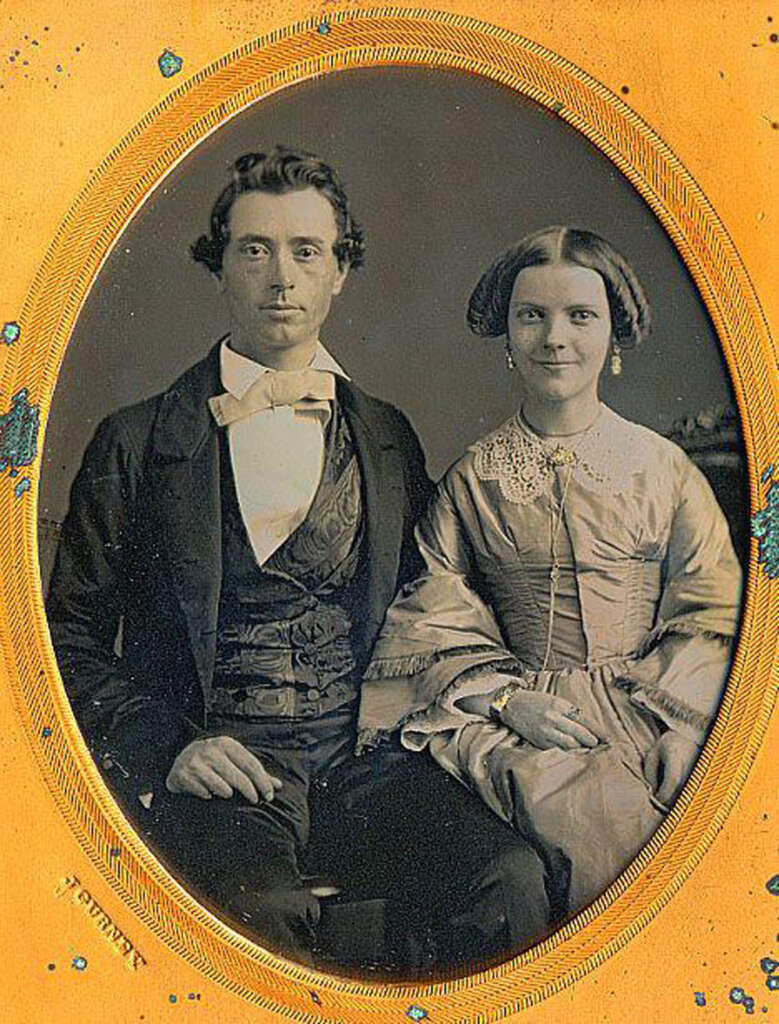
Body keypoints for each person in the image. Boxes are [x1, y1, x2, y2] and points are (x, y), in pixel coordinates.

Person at [46, 147, 551, 974]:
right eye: (255, 249)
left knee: (511, 881)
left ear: (340, 270)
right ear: (219, 267)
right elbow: (62, 641)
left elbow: (438, 609)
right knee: (260, 919)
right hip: (221, 771)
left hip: (367, 764)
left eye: (306, 251)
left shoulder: (388, 439)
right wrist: (170, 746)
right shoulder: (135, 441)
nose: (281, 277)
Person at [358, 226, 743, 922]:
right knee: (605, 829)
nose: (554, 338)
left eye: (579, 316)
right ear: (505, 335)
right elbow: (429, 613)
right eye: (531, 315)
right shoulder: (475, 478)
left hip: (659, 709)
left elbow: (712, 608)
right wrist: (506, 703)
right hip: (523, 724)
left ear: (612, 334)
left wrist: (690, 731)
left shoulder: (662, 470)